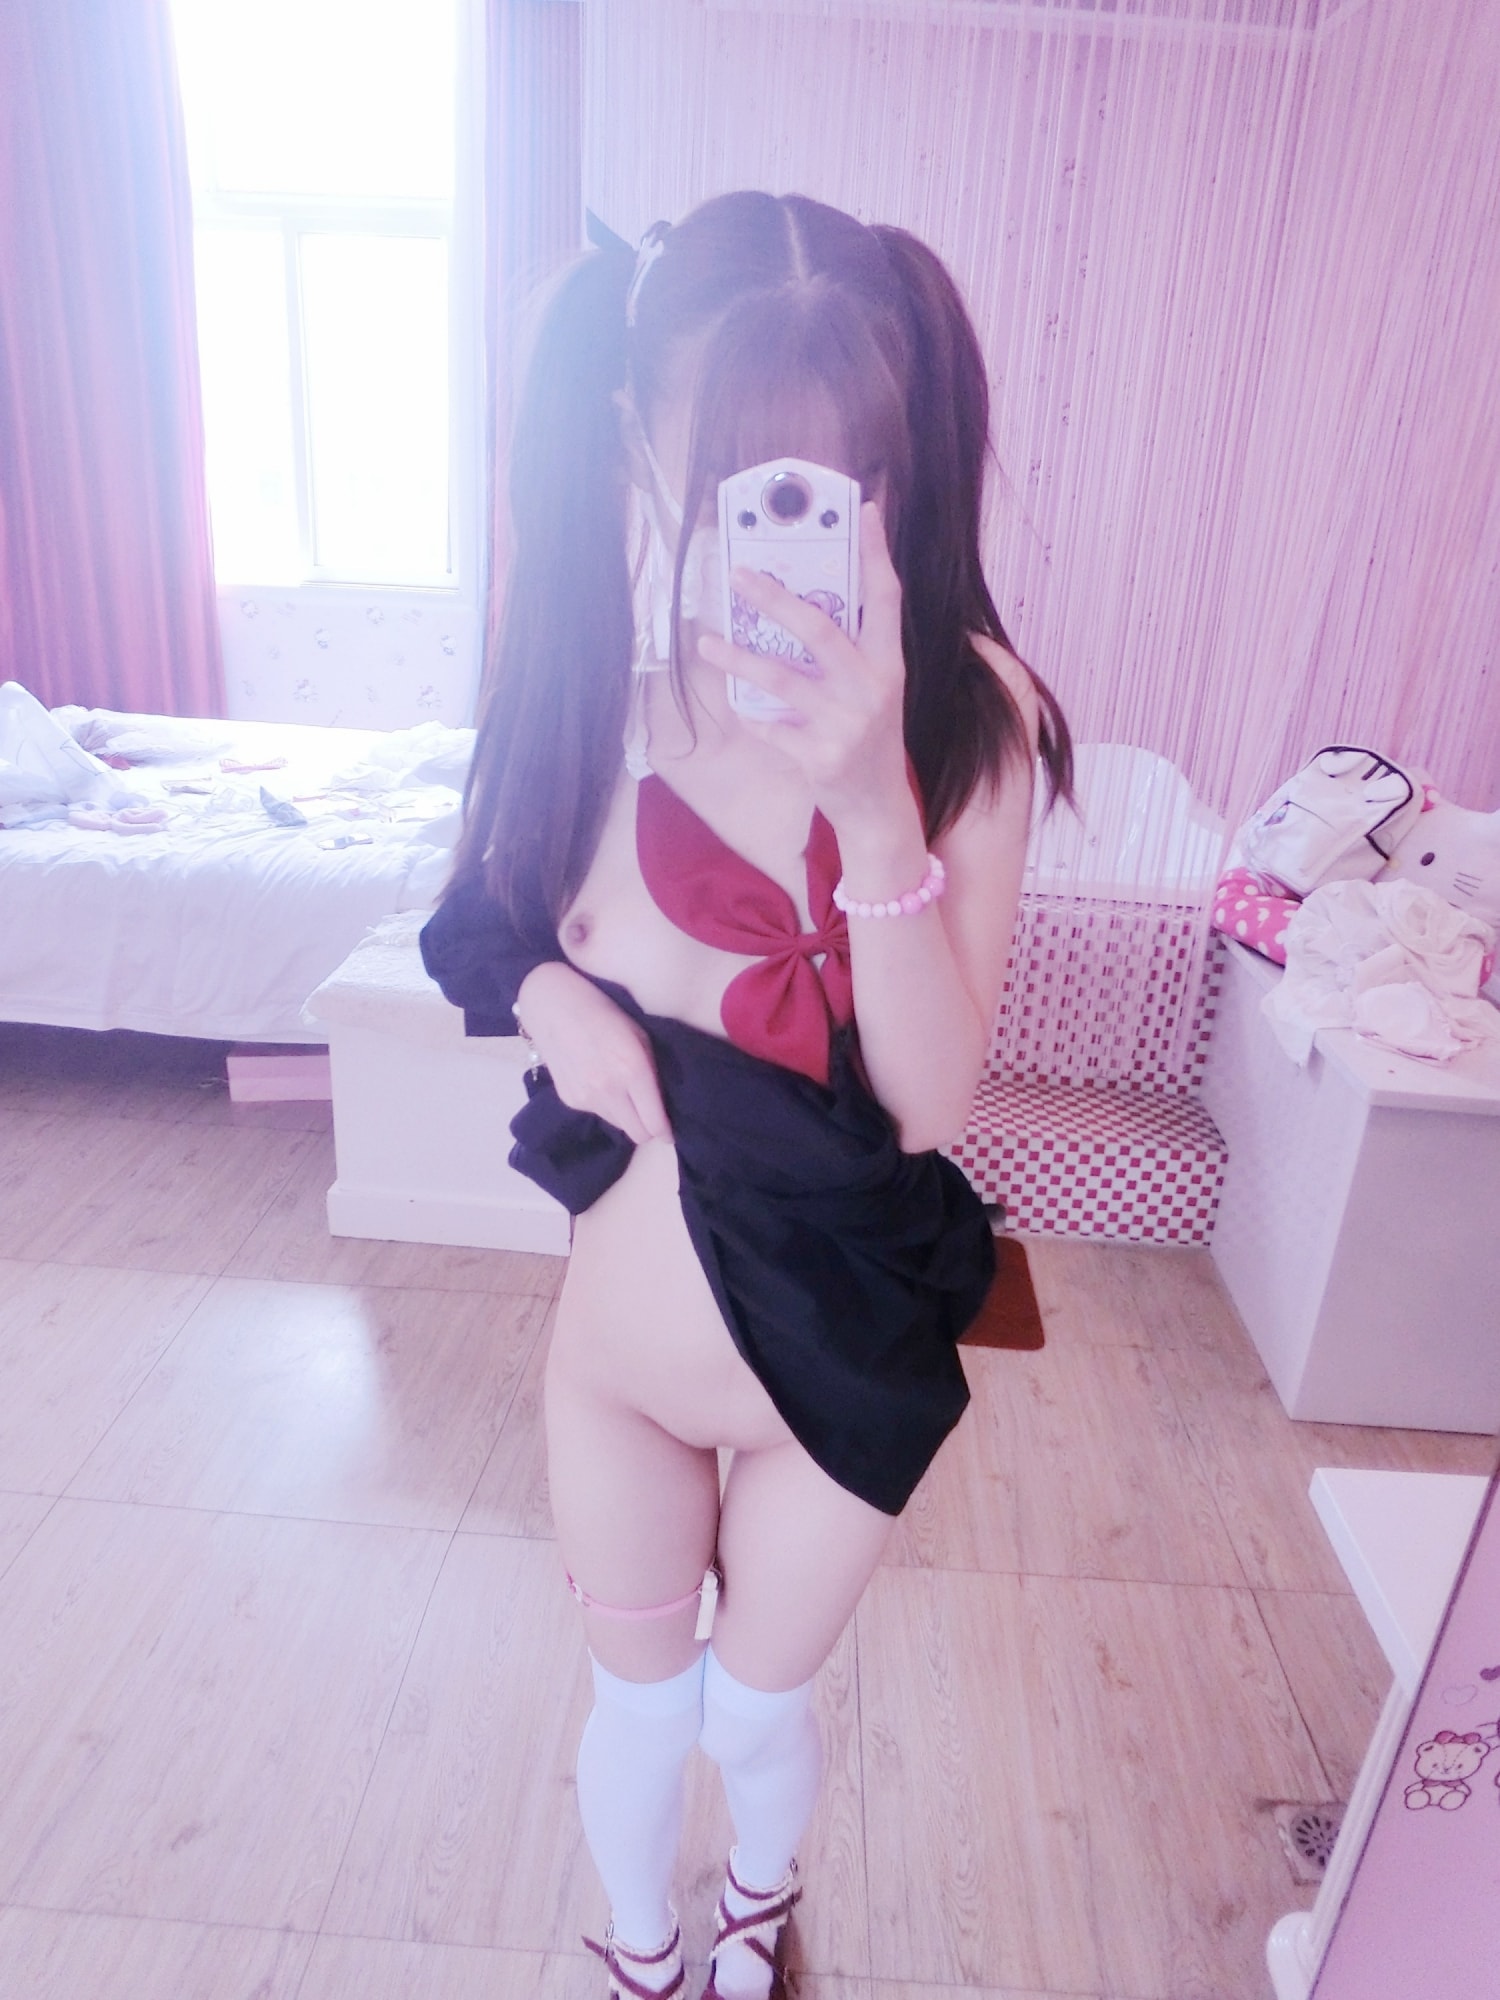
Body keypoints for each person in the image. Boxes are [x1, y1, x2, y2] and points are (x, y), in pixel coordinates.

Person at [421, 190, 1071, 2000]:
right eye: (740, 483)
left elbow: (928, 1106)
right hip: (617, 1371)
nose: (788, 535)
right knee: (641, 1707)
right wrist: (551, 991)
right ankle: (644, 1957)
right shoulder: (596, 693)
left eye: (835, 483)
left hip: (834, 1368)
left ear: (897, 472)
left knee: (752, 1709)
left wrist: (874, 809)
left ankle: (759, 1917)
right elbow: (470, 919)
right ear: (643, 439)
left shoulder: (971, 721)